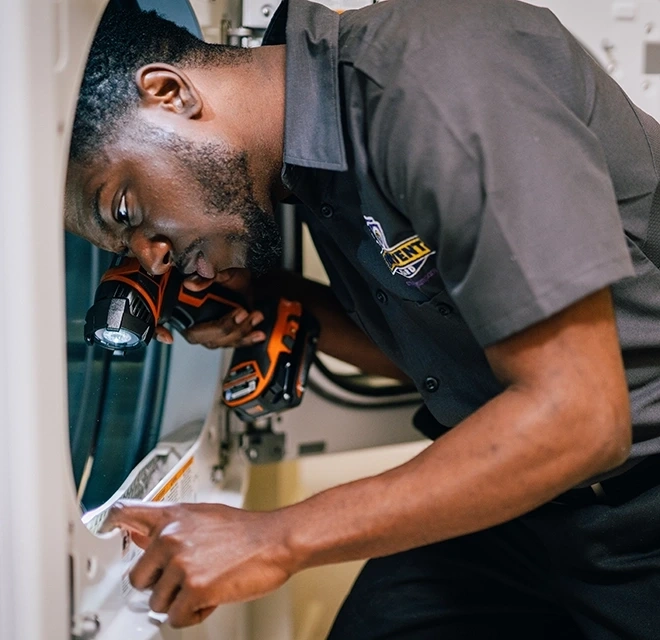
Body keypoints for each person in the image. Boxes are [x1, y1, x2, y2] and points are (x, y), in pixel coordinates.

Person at [64, 0, 660, 636]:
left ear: (169, 93)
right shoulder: (313, 171)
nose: (152, 260)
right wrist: (280, 303)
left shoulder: (435, 82)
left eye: (125, 210)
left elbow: (579, 417)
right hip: (545, 502)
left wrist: (276, 538)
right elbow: (460, 368)